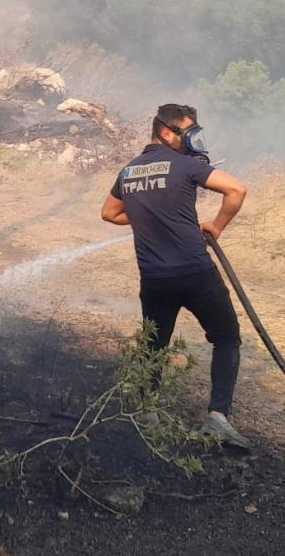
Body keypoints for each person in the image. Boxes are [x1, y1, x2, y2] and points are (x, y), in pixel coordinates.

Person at [101, 103, 250, 448]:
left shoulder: (128, 172)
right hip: (196, 272)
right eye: (188, 133)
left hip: (154, 279)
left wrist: (143, 220)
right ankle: (217, 418)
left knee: (155, 344)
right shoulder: (184, 165)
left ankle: (147, 412)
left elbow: (109, 213)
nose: (192, 141)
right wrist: (216, 226)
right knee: (226, 338)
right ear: (167, 132)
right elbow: (237, 190)